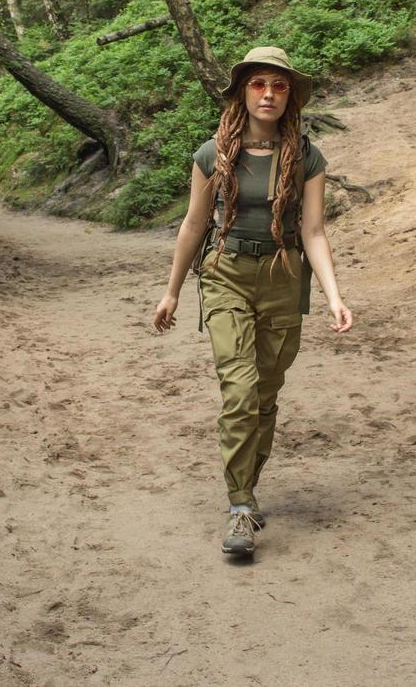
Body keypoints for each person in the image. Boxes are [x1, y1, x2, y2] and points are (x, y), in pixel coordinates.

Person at [153, 46, 354, 557]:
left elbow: (313, 230)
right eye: (259, 84)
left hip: (284, 277)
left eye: (279, 86)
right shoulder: (211, 154)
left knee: (264, 395)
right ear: (243, 92)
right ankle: (240, 506)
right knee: (240, 391)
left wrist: (334, 296)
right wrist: (172, 289)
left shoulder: (307, 157)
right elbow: (194, 225)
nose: (269, 94)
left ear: (290, 97)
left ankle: (248, 484)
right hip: (226, 274)